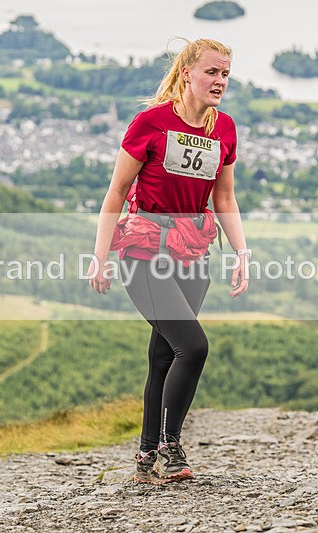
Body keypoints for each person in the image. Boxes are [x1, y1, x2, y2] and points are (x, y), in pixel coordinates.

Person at [87, 38, 249, 484]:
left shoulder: (225, 129)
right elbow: (116, 193)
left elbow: (225, 198)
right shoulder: (151, 123)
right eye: (212, 72)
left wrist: (242, 254)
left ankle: (144, 457)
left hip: (194, 252)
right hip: (145, 251)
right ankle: (170, 446)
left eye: (225, 74)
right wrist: (100, 257)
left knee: (164, 355)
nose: (219, 81)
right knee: (193, 346)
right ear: (186, 74)